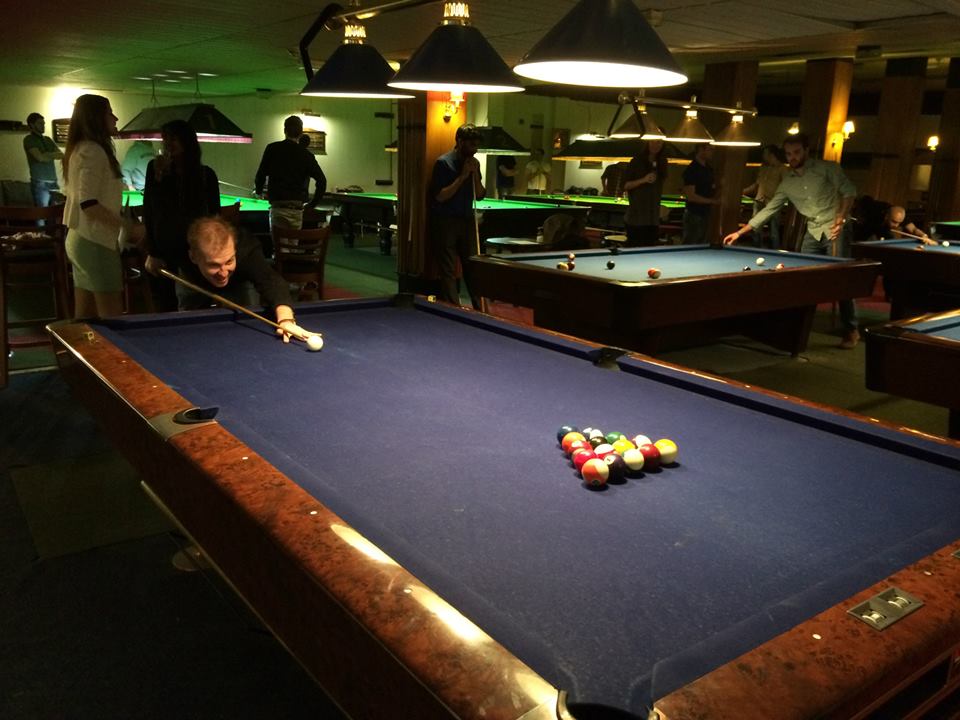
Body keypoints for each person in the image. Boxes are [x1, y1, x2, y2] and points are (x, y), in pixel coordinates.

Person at [723, 133, 860, 348]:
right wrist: (741, 233)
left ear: (806, 150)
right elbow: (770, 209)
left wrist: (841, 216)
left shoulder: (827, 168)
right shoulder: (787, 182)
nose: (792, 157)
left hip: (836, 229)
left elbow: (849, 192)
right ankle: (796, 326)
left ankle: (851, 330)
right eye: (788, 154)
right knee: (802, 278)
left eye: (796, 152)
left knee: (841, 279)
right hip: (813, 231)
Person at [62, 95, 145, 319]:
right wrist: (128, 225)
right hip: (94, 242)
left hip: (80, 240)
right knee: (111, 319)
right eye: (110, 113)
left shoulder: (80, 149)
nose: (115, 118)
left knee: (85, 318)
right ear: (96, 118)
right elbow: (88, 204)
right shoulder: (93, 151)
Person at [177, 216, 310, 343]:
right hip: (193, 279)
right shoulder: (177, 251)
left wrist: (286, 320)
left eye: (229, 261)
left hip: (238, 281)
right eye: (214, 265)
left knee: (246, 317)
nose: (223, 273)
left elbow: (270, 281)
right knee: (188, 326)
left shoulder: (247, 251)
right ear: (193, 257)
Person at [142, 120, 221, 311]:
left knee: (196, 305)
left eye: (173, 139)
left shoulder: (206, 175)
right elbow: (150, 211)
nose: (167, 144)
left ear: (187, 141)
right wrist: (152, 252)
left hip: (195, 251)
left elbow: (214, 217)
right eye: (165, 139)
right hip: (164, 250)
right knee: (164, 306)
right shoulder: (155, 170)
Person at [430, 124, 484, 309]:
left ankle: (480, 308)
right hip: (446, 221)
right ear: (460, 142)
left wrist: (474, 175)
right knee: (448, 269)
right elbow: (440, 196)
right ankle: (454, 309)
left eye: (477, 145)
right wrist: (462, 177)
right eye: (471, 145)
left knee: (473, 267)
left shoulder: (474, 163)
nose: (475, 149)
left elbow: (480, 194)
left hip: (467, 220)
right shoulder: (443, 163)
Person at [254, 116, 327, 231]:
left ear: (285, 130)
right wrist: (312, 204)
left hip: (278, 207)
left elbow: (261, 175)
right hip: (297, 210)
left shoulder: (272, 148)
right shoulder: (307, 155)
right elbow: (322, 181)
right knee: (293, 241)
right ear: (301, 133)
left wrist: (258, 191)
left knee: (280, 242)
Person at [621, 140, 668, 247]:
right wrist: (643, 180)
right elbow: (625, 185)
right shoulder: (636, 161)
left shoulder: (662, 162)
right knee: (634, 251)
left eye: (659, 143)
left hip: (653, 219)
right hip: (636, 218)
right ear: (647, 143)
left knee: (649, 251)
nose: (656, 145)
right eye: (653, 142)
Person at [742, 144, 788, 248]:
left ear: (771, 155)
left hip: (773, 204)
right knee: (755, 228)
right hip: (759, 201)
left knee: (774, 231)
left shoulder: (782, 169)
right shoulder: (763, 168)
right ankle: (755, 250)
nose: (763, 156)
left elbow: (786, 187)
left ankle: (775, 252)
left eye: (765, 154)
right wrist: (742, 191)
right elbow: (757, 184)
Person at [23, 112, 63, 208]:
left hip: (53, 181)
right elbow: (40, 158)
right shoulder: (29, 139)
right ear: (32, 125)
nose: (43, 125)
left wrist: (46, 154)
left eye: (43, 123)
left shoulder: (48, 139)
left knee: (55, 211)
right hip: (40, 183)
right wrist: (51, 155)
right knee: (42, 213)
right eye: (40, 123)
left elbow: (61, 155)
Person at [681, 143, 720, 244]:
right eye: (710, 149)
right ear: (701, 150)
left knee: (702, 244)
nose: (712, 152)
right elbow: (691, 196)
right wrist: (712, 201)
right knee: (691, 245)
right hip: (694, 214)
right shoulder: (692, 170)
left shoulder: (709, 169)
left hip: (706, 213)